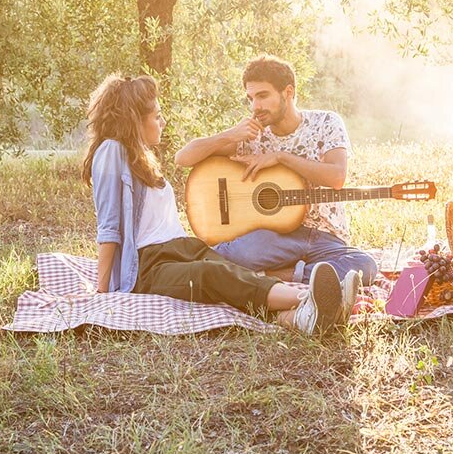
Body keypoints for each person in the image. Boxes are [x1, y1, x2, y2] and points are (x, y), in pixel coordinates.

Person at [83, 72, 358, 334]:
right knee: (212, 275)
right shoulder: (111, 151)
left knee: (236, 276)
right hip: (146, 265)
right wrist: (102, 292)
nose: (163, 122)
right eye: (157, 116)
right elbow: (109, 227)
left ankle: (298, 318)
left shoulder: (140, 157)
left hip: (180, 248)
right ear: (134, 121)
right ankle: (312, 299)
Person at [173, 55, 380, 288]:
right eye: (251, 98)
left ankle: (280, 275)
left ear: (288, 92)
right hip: (272, 240)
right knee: (228, 255)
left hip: (324, 236)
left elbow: (336, 177)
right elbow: (183, 158)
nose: (255, 106)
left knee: (365, 266)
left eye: (262, 96)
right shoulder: (252, 135)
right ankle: (307, 274)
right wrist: (230, 135)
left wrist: (281, 157)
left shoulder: (326, 123)